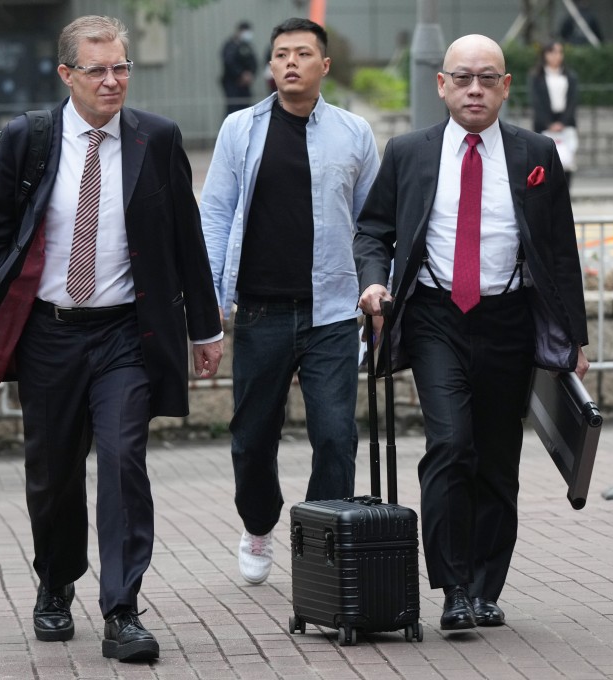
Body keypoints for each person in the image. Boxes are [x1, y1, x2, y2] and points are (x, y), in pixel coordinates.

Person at [0, 15, 224, 662]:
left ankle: (122, 609)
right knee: (54, 474)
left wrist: (205, 328)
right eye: (97, 69)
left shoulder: (158, 139)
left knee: (124, 461)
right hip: (49, 335)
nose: (112, 79)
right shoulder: (29, 141)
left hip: (126, 331)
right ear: (67, 74)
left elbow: (186, 239)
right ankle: (56, 578)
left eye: (121, 66)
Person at [354, 34, 589, 632]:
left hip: (507, 318)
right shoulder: (409, 152)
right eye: (463, 78)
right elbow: (373, 230)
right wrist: (373, 282)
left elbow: (560, 251)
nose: (475, 89)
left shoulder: (537, 152)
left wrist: (575, 339)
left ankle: (486, 587)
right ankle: (453, 586)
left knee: (496, 460)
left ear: (507, 86)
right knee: (451, 444)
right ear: (442, 84)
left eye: (487, 78)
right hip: (435, 315)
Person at [200, 17, 379, 586]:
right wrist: (208, 305)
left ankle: (320, 548)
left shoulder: (354, 133)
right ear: (271, 66)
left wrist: (380, 288)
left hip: (332, 311)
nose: (291, 63)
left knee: (335, 436)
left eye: (304, 53)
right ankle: (258, 523)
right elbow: (217, 214)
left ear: (324, 66)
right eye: (281, 55)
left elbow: (375, 224)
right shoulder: (240, 129)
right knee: (252, 437)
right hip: (259, 311)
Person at [527, 41, 580, 186]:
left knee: (567, 161)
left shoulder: (570, 76)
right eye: (552, 52)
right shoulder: (536, 77)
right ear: (545, 55)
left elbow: (572, 101)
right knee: (544, 161)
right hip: (544, 124)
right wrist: (549, 123)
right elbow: (536, 102)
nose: (557, 56)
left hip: (565, 122)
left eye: (560, 52)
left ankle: (566, 194)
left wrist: (563, 122)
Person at [220, 20, 258, 115]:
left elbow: (254, 62)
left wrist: (250, 75)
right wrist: (241, 75)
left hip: (245, 85)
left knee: (246, 109)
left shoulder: (247, 46)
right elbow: (229, 62)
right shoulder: (229, 45)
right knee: (233, 108)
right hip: (232, 83)